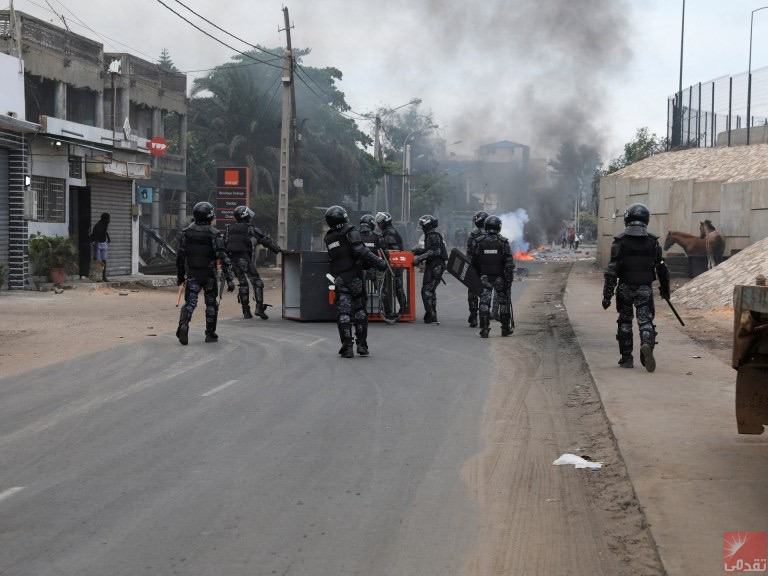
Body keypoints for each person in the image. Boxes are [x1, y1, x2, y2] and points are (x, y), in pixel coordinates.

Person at [602, 203, 670, 372]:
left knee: (625, 322)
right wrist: (666, 291)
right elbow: (662, 269)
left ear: (627, 219)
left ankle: (626, 359)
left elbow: (612, 271)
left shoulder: (619, 241)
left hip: (624, 287)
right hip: (644, 289)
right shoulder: (653, 242)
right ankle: (647, 344)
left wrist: (607, 296)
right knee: (645, 321)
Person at [324, 206, 388, 358]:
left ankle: (347, 347)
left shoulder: (329, 237)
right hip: (355, 277)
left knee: (343, 312)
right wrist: (379, 262)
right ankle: (361, 345)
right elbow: (360, 251)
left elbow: (342, 254)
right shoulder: (350, 231)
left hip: (339, 277)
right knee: (359, 309)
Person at [176, 202, 235, 345]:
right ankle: (210, 333)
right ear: (210, 215)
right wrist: (230, 279)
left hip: (193, 274)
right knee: (211, 304)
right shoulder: (214, 234)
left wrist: (180, 276)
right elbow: (223, 257)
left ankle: (184, 323)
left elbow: (180, 257)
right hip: (209, 274)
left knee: (190, 303)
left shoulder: (186, 233)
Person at [224, 205, 282, 319]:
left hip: (231, 260)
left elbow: (223, 243)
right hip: (243, 258)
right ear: (245, 216)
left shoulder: (229, 228)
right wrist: (277, 249)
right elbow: (265, 240)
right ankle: (259, 308)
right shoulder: (250, 228)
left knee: (243, 283)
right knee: (257, 282)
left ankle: (246, 311)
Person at [471, 215, 515, 338]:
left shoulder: (479, 242)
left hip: (485, 277)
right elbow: (509, 263)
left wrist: (479, 275)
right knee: (503, 302)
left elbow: (474, 262)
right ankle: (505, 329)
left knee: (484, 303)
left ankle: (484, 329)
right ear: (499, 227)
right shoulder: (503, 242)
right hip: (500, 278)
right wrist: (509, 280)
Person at [412, 214, 448, 324]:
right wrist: (418, 251)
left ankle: (430, 313)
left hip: (436, 265)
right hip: (435, 265)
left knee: (426, 290)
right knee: (430, 290)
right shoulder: (430, 235)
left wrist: (419, 258)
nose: (421, 226)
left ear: (426, 225)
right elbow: (430, 249)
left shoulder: (432, 235)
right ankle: (433, 314)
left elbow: (435, 251)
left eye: (422, 224)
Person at [375, 211, 407, 321]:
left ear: (385, 223)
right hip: (394, 264)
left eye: (380, 223)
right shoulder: (389, 232)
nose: (379, 225)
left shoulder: (389, 234)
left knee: (397, 286)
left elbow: (393, 251)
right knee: (395, 286)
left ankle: (403, 309)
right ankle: (402, 308)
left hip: (394, 264)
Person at [465, 210, 488, 327]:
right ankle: (485, 318)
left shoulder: (473, 235)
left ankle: (473, 317)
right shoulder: (493, 235)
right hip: (488, 269)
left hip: (475, 268)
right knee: (485, 293)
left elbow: (468, 254)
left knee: (473, 292)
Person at [89, 212, 111, 282]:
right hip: (97, 243)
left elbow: (105, 231)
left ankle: (104, 277)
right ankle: (97, 277)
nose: (109, 220)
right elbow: (96, 238)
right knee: (98, 262)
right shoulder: (97, 226)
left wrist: (108, 237)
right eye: (108, 219)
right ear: (105, 219)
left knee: (104, 260)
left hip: (103, 243)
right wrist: (95, 248)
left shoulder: (105, 224)